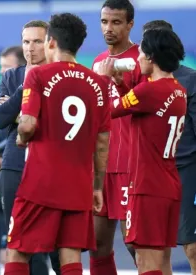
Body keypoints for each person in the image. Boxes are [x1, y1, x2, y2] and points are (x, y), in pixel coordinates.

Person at [5, 13, 110, 275]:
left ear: (51, 42)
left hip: (41, 181)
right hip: (79, 183)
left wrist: (21, 137)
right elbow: (102, 143)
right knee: (70, 253)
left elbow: (27, 124)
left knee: (18, 248)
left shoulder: (38, 76)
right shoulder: (98, 83)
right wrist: (97, 187)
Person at [98, 27, 186, 275]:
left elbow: (106, 112)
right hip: (168, 184)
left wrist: (105, 80)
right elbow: (139, 108)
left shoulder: (149, 90)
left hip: (147, 187)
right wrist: (119, 84)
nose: (137, 58)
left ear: (151, 57)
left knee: (146, 264)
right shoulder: (177, 89)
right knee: (162, 262)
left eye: (141, 54)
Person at [0, 20, 61, 275]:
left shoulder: (61, 75)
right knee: (19, 240)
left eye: (37, 41)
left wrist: (16, 109)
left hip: (53, 165)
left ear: (50, 42)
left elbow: (54, 121)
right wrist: (25, 89)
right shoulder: (12, 76)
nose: (30, 48)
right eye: (26, 41)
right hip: (15, 163)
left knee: (56, 245)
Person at [138, 21, 196, 275]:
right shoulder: (137, 82)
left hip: (185, 169)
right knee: (155, 248)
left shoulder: (189, 80)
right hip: (148, 174)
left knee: (191, 246)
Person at [90, 1, 144, 273]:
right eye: (104, 22)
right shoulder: (98, 61)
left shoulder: (141, 60)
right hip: (102, 167)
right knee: (98, 245)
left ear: (130, 24)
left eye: (116, 22)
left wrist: (120, 81)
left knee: (135, 244)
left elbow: (144, 107)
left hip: (131, 166)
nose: (108, 28)